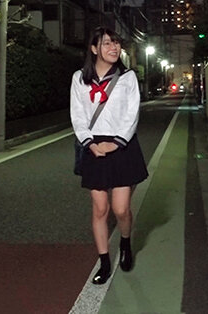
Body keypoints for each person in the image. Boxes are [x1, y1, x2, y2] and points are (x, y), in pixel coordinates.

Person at [70, 27, 148, 285]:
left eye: (116, 43)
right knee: (100, 208)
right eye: (107, 44)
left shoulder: (127, 78)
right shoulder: (79, 78)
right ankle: (104, 262)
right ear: (94, 49)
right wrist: (90, 143)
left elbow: (132, 114)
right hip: (93, 147)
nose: (114, 48)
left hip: (122, 146)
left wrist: (115, 143)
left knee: (121, 209)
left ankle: (125, 243)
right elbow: (77, 115)